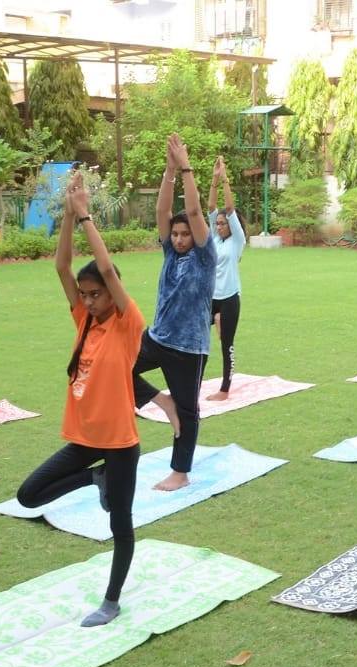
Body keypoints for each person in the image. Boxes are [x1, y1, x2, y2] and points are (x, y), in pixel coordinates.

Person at [16, 171, 144, 628]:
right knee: (29, 495)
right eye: (85, 296)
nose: (88, 301)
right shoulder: (84, 321)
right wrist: (68, 216)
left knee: (120, 527)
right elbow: (62, 268)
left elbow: (105, 268)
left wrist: (87, 213)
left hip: (120, 445)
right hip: (87, 443)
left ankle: (111, 600)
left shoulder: (127, 325)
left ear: (114, 294)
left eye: (96, 295)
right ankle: (95, 481)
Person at [132, 133, 215, 491]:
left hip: (188, 348)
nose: (180, 239)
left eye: (185, 235)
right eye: (176, 235)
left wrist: (185, 169)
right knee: (112, 366)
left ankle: (180, 472)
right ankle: (160, 402)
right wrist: (168, 170)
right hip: (156, 337)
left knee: (189, 410)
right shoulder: (169, 253)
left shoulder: (205, 257)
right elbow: (161, 211)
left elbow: (193, 211)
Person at [205, 155, 246, 401]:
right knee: (196, 332)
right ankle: (192, 380)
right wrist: (213, 179)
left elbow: (228, 208)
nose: (219, 226)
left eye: (222, 223)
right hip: (211, 298)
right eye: (217, 224)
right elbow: (211, 208)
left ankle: (224, 389)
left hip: (230, 299)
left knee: (225, 344)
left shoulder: (237, 240)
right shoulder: (216, 239)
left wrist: (225, 179)